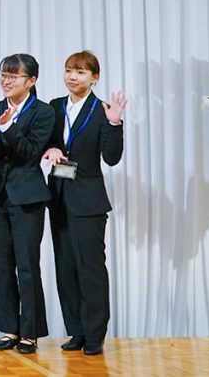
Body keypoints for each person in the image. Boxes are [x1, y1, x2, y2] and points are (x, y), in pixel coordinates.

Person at [0, 53, 55, 354]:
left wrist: (6, 129)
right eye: (3, 75)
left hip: (28, 195)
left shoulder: (43, 112)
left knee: (27, 264)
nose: (6, 81)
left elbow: (30, 152)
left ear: (31, 81)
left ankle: (30, 332)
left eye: (13, 76)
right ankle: (9, 328)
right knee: (1, 262)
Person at [42, 51, 126, 356]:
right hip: (59, 197)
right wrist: (51, 147)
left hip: (88, 201)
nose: (72, 77)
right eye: (68, 70)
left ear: (94, 78)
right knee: (65, 268)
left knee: (90, 268)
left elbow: (111, 158)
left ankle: (94, 334)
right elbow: (45, 140)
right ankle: (76, 330)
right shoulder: (54, 107)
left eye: (80, 72)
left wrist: (114, 124)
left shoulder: (101, 110)